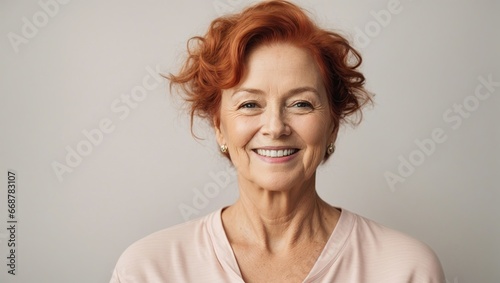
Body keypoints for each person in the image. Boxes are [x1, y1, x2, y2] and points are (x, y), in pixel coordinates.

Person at [110, 1, 445, 282]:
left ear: (333, 124)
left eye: (301, 103)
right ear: (219, 127)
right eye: (249, 104)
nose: (275, 127)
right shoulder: (149, 269)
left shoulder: (406, 269)